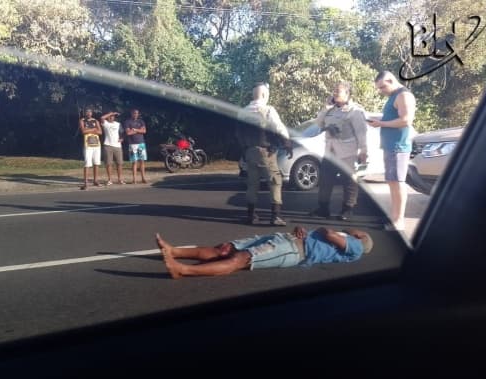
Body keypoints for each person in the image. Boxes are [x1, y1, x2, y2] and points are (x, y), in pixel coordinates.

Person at [155, 225, 373, 279]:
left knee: (239, 259)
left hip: (292, 251)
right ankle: (174, 251)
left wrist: (326, 230)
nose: (355, 229)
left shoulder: (356, 247)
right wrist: (300, 230)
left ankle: (182, 270)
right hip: (286, 238)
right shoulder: (348, 241)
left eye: (359, 231)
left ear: (361, 237)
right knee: (225, 249)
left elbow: (329, 234)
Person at [310, 82, 369, 221]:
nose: (335, 93)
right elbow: (319, 123)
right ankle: (323, 208)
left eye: (338, 91)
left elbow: (361, 133)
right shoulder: (330, 110)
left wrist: (364, 151)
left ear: (347, 94)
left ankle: (347, 210)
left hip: (347, 152)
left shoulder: (355, 111)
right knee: (325, 180)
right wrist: (325, 107)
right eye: (334, 91)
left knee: (349, 181)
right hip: (330, 151)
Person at [236, 83, 292, 226]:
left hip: (250, 152)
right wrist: (287, 143)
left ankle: (251, 215)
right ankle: (275, 216)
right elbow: (278, 128)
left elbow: (238, 134)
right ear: (264, 95)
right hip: (265, 152)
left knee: (252, 184)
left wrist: (244, 150)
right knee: (275, 182)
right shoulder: (268, 110)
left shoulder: (243, 112)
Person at [368, 71, 416, 231]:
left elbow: (406, 120)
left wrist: (382, 124)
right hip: (390, 147)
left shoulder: (404, 96)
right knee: (392, 183)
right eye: (379, 88)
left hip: (398, 147)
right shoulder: (393, 96)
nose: (381, 91)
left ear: (391, 80)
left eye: (382, 87)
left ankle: (399, 221)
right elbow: (393, 119)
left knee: (398, 183)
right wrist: (379, 121)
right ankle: (394, 217)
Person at [79, 108, 102, 190]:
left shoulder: (96, 121)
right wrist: (93, 130)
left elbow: (100, 132)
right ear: (85, 113)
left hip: (96, 144)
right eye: (87, 112)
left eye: (90, 112)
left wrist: (89, 130)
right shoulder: (82, 120)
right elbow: (83, 131)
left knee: (96, 163)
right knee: (87, 163)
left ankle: (95, 180)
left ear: (92, 113)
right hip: (88, 145)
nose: (89, 113)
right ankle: (85, 182)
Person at [100, 110, 126, 185]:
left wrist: (122, 138)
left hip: (117, 146)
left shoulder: (118, 124)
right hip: (108, 145)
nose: (111, 117)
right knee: (108, 163)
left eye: (113, 116)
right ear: (108, 117)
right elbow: (102, 118)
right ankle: (109, 180)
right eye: (110, 117)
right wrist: (111, 113)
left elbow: (122, 133)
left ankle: (120, 179)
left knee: (119, 163)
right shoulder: (105, 123)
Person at [124, 109, 148, 184]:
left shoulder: (141, 121)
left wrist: (134, 130)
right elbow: (128, 133)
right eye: (134, 113)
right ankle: (134, 179)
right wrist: (139, 130)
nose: (135, 114)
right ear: (131, 113)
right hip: (132, 144)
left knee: (142, 161)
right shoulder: (128, 122)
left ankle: (143, 178)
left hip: (141, 143)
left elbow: (144, 131)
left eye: (137, 113)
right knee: (134, 162)